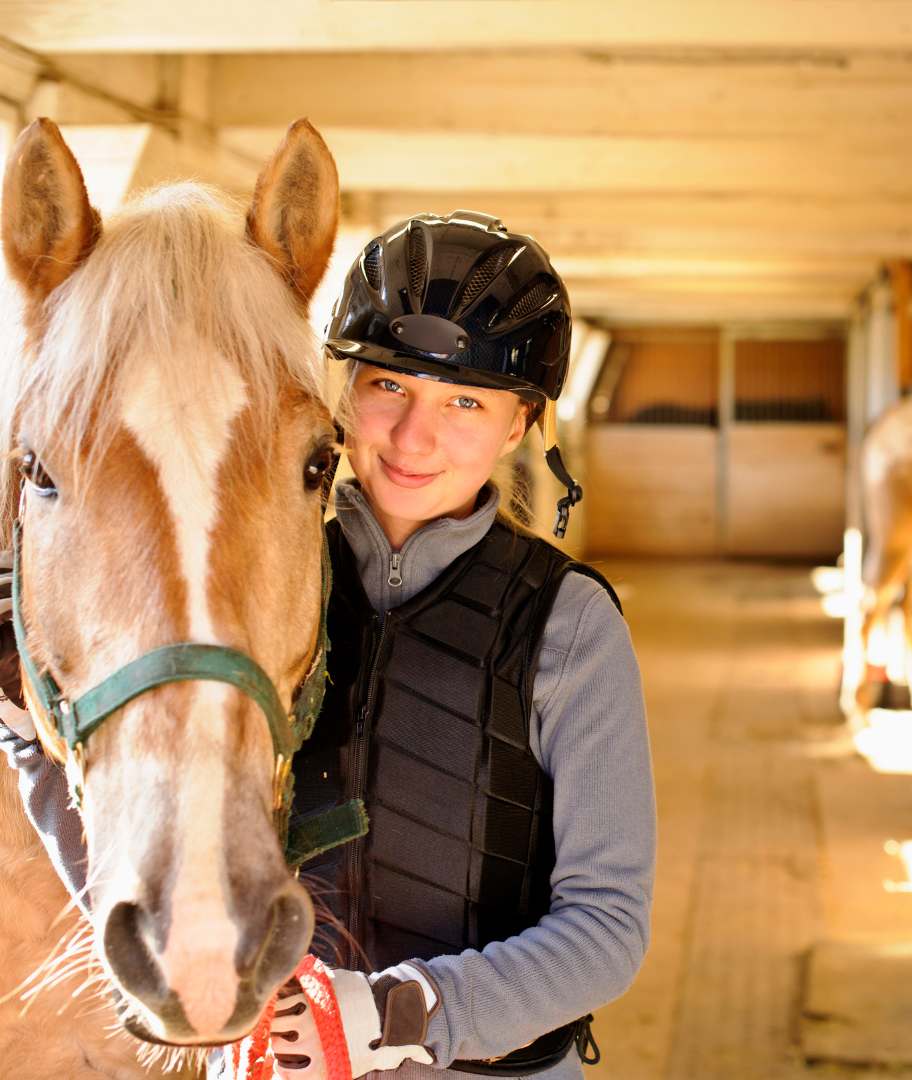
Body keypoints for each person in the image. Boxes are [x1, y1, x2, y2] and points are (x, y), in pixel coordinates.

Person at [0, 210, 656, 1080]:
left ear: (520, 428)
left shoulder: (569, 626)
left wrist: (393, 1015)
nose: (414, 437)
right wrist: (26, 715)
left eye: (465, 402)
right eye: (390, 386)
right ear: (344, 392)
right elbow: (138, 762)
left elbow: (607, 927)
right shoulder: (266, 572)